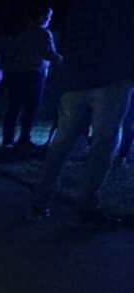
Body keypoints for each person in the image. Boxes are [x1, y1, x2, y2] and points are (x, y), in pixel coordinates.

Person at [31, 0, 134, 225]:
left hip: (76, 79)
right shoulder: (120, 7)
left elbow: (71, 39)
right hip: (110, 78)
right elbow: (122, 38)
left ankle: (40, 200)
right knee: (104, 141)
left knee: (62, 142)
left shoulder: (78, 7)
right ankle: (87, 204)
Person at [1, 5, 62, 149]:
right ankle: (24, 138)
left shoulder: (20, 33)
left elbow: (9, 52)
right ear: (41, 18)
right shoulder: (43, 34)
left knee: (13, 107)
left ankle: (7, 139)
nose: (50, 20)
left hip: (15, 73)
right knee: (31, 108)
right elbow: (48, 54)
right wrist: (63, 60)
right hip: (33, 74)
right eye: (48, 17)